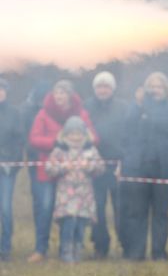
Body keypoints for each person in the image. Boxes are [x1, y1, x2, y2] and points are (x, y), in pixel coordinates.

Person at [27, 80, 97, 262]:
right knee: (45, 208)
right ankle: (40, 249)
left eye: (63, 93)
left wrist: (79, 146)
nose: (59, 96)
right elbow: (34, 139)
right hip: (48, 170)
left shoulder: (81, 113)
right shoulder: (43, 113)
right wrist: (55, 142)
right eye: (56, 92)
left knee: (72, 213)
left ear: (70, 95)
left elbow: (93, 137)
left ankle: (68, 248)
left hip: (74, 175)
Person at [120, 72, 168, 261]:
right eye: (152, 86)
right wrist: (139, 106)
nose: (156, 90)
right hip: (139, 167)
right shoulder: (136, 108)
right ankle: (136, 252)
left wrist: (148, 113)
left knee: (161, 212)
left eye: (159, 86)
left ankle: (159, 252)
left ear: (166, 89)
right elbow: (128, 128)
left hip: (164, 168)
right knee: (137, 211)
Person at [45, 116, 104, 263]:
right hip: (66, 195)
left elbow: (101, 168)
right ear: (65, 134)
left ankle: (77, 249)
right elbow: (49, 168)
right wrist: (63, 167)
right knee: (68, 223)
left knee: (81, 224)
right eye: (72, 133)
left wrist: (89, 166)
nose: (76, 137)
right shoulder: (59, 151)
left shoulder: (91, 150)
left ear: (84, 134)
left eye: (79, 134)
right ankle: (66, 250)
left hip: (84, 195)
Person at [84, 71, 129, 259]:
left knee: (121, 208)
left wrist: (125, 159)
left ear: (113, 89)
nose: (102, 90)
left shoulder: (124, 107)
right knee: (97, 209)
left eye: (106, 86)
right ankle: (100, 246)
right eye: (99, 87)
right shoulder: (86, 107)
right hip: (95, 166)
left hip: (118, 166)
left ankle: (126, 244)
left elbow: (129, 134)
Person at [0, 77, 24, 261]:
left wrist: (13, 162)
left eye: (1, 89)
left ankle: (5, 247)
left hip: (6, 168)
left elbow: (19, 140)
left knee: (5, 208)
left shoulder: (15, 113)